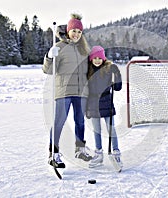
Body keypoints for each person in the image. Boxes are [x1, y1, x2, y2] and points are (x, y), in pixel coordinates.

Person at [43, 14, 92, 168]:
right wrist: (49, 57)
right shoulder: (59, 47)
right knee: (59, 122)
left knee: (80, 122)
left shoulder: (84, 49)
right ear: (68, 31)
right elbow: (48, 70)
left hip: (81, 92)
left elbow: (90, 70)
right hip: (63, 91)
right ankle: (54, 153)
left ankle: (80, 150)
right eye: (74, 31)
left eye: (79, 31)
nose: (76, 34)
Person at [86, 46, 123, 168]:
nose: (97, 60)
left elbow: (117, 88)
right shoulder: (88, 71)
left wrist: (117, 75)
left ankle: (116, 153)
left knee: (111, 129)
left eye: (99, 58)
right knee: (96, 130)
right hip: (93, 103)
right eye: (94, 58)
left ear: (103, 58)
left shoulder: (109, 69)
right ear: (91, 59)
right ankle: (99, 154)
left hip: (106, 102)